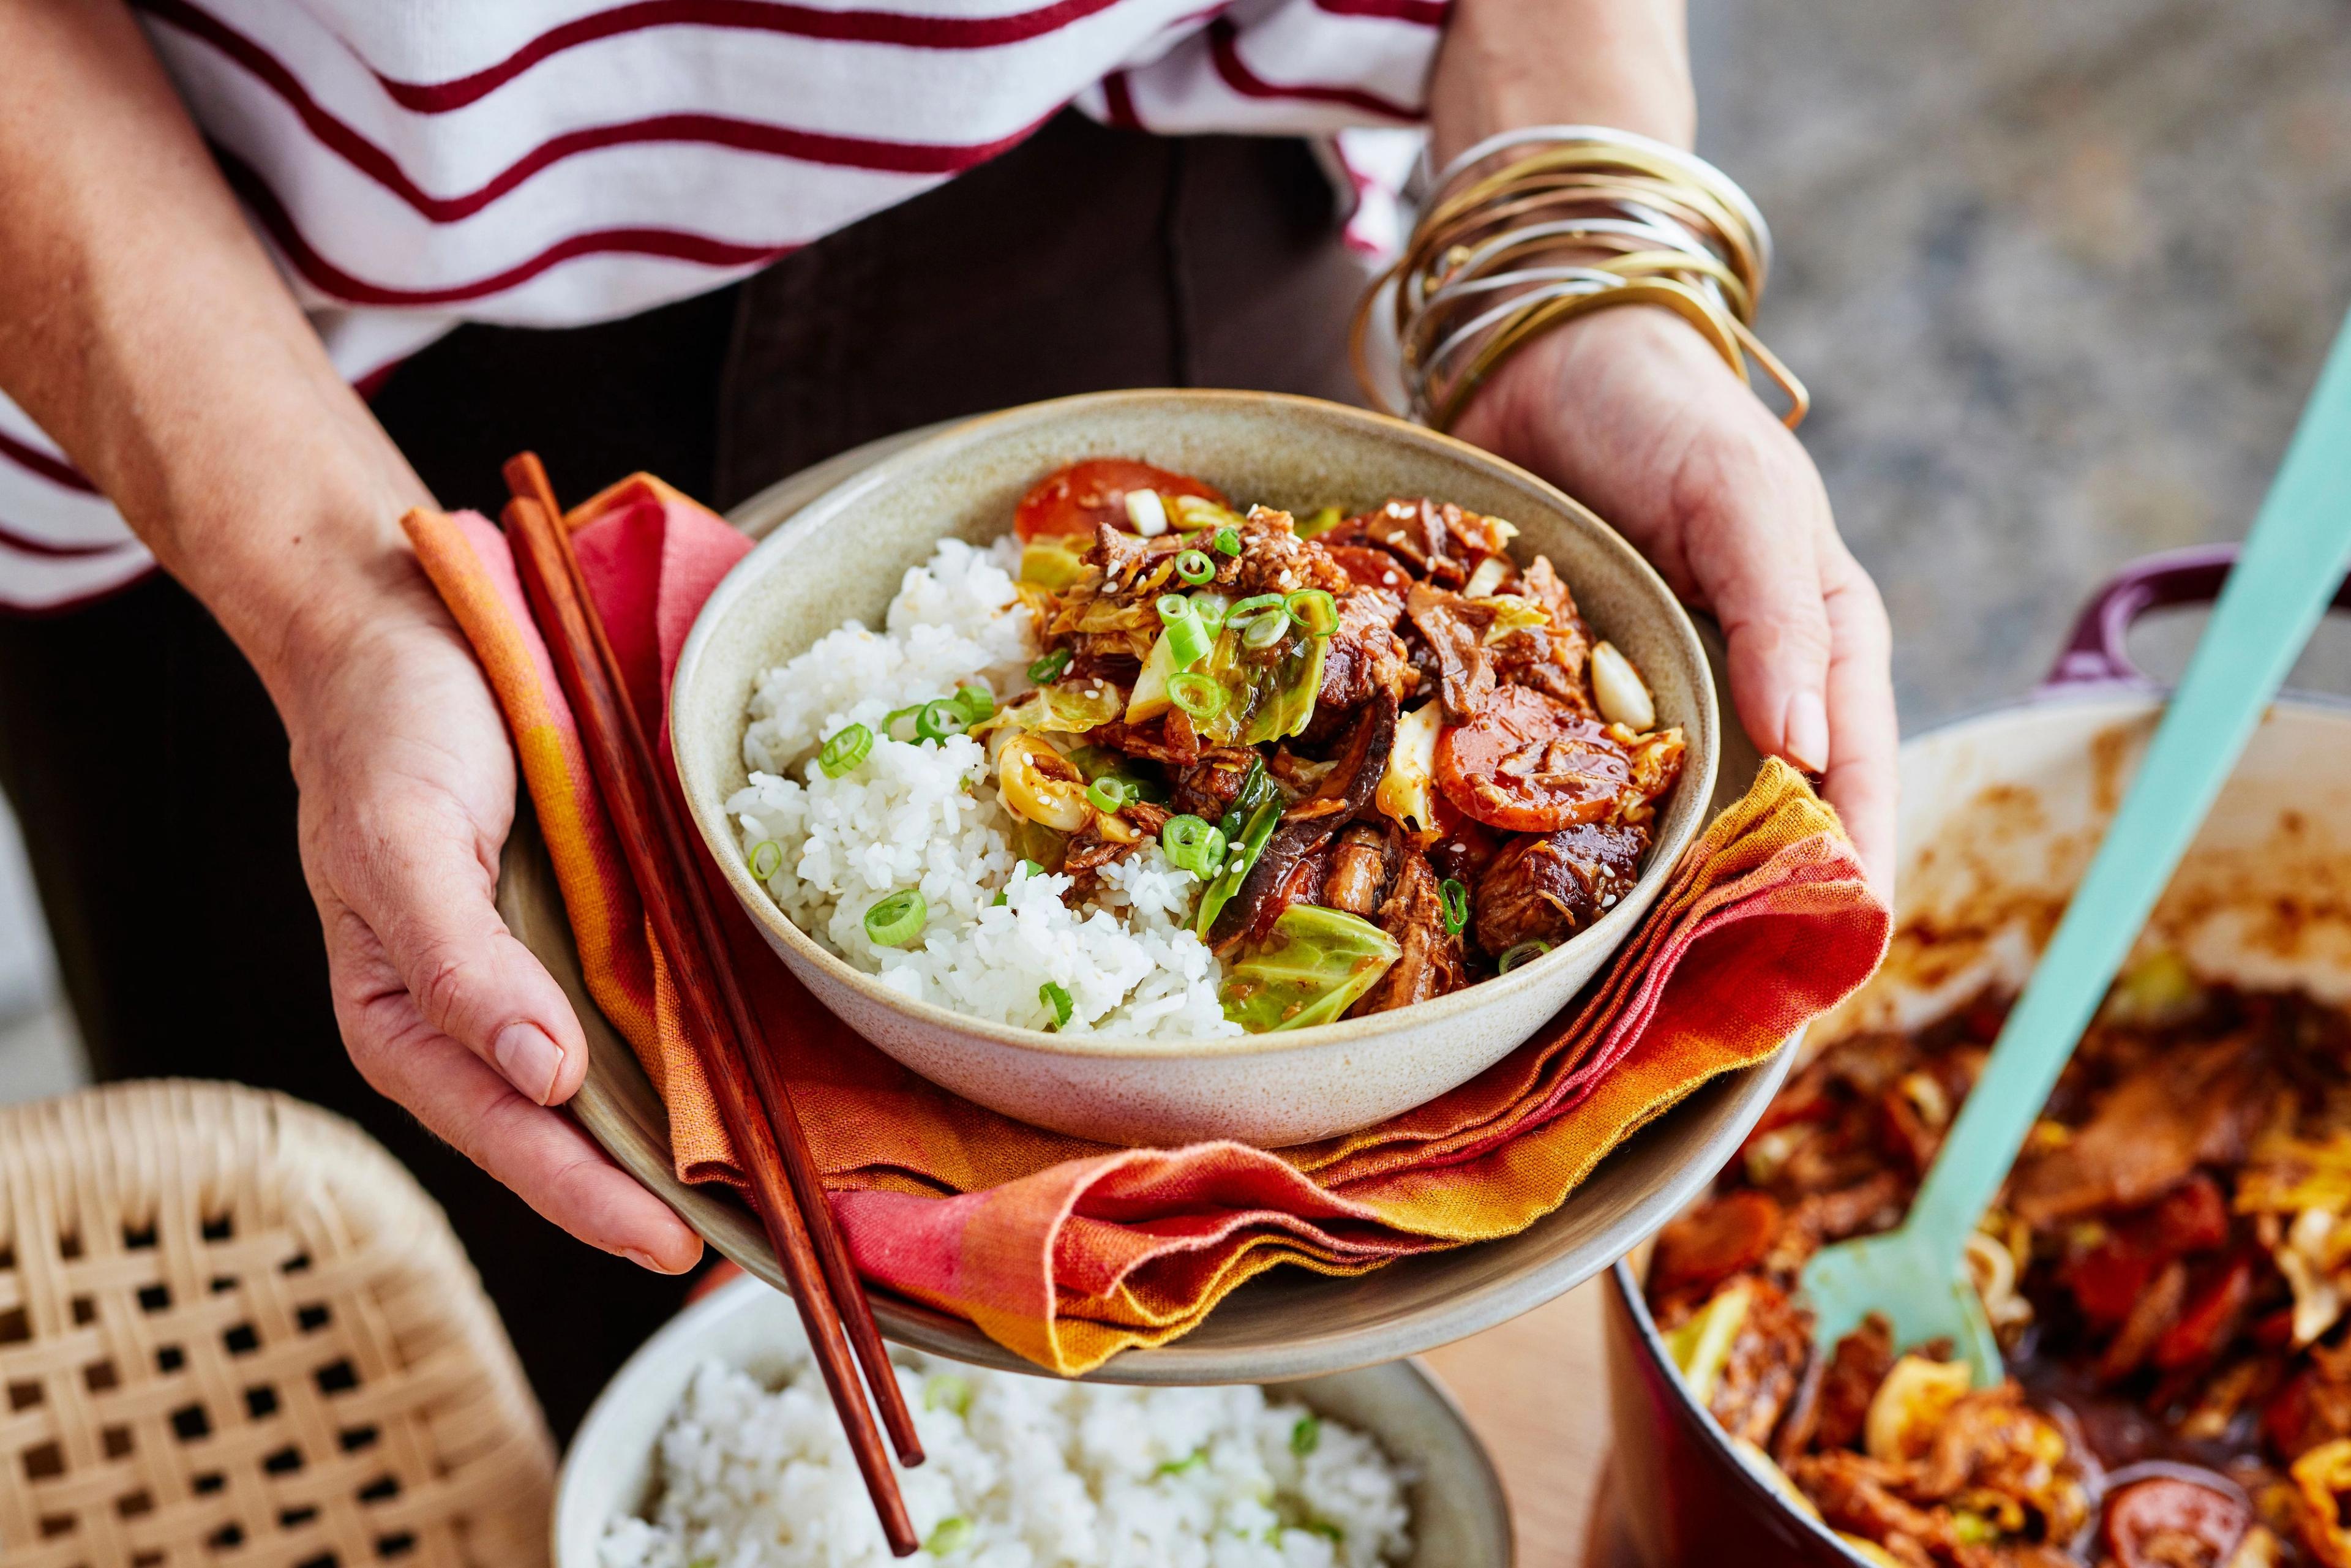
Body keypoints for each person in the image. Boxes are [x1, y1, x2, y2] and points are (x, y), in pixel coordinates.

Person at [0, 0, 1893, 1428]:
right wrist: (337, 605)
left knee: (1265, 1386)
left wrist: (1578, 286)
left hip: (1143, 192)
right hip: (240, 368)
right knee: (404, 1376)